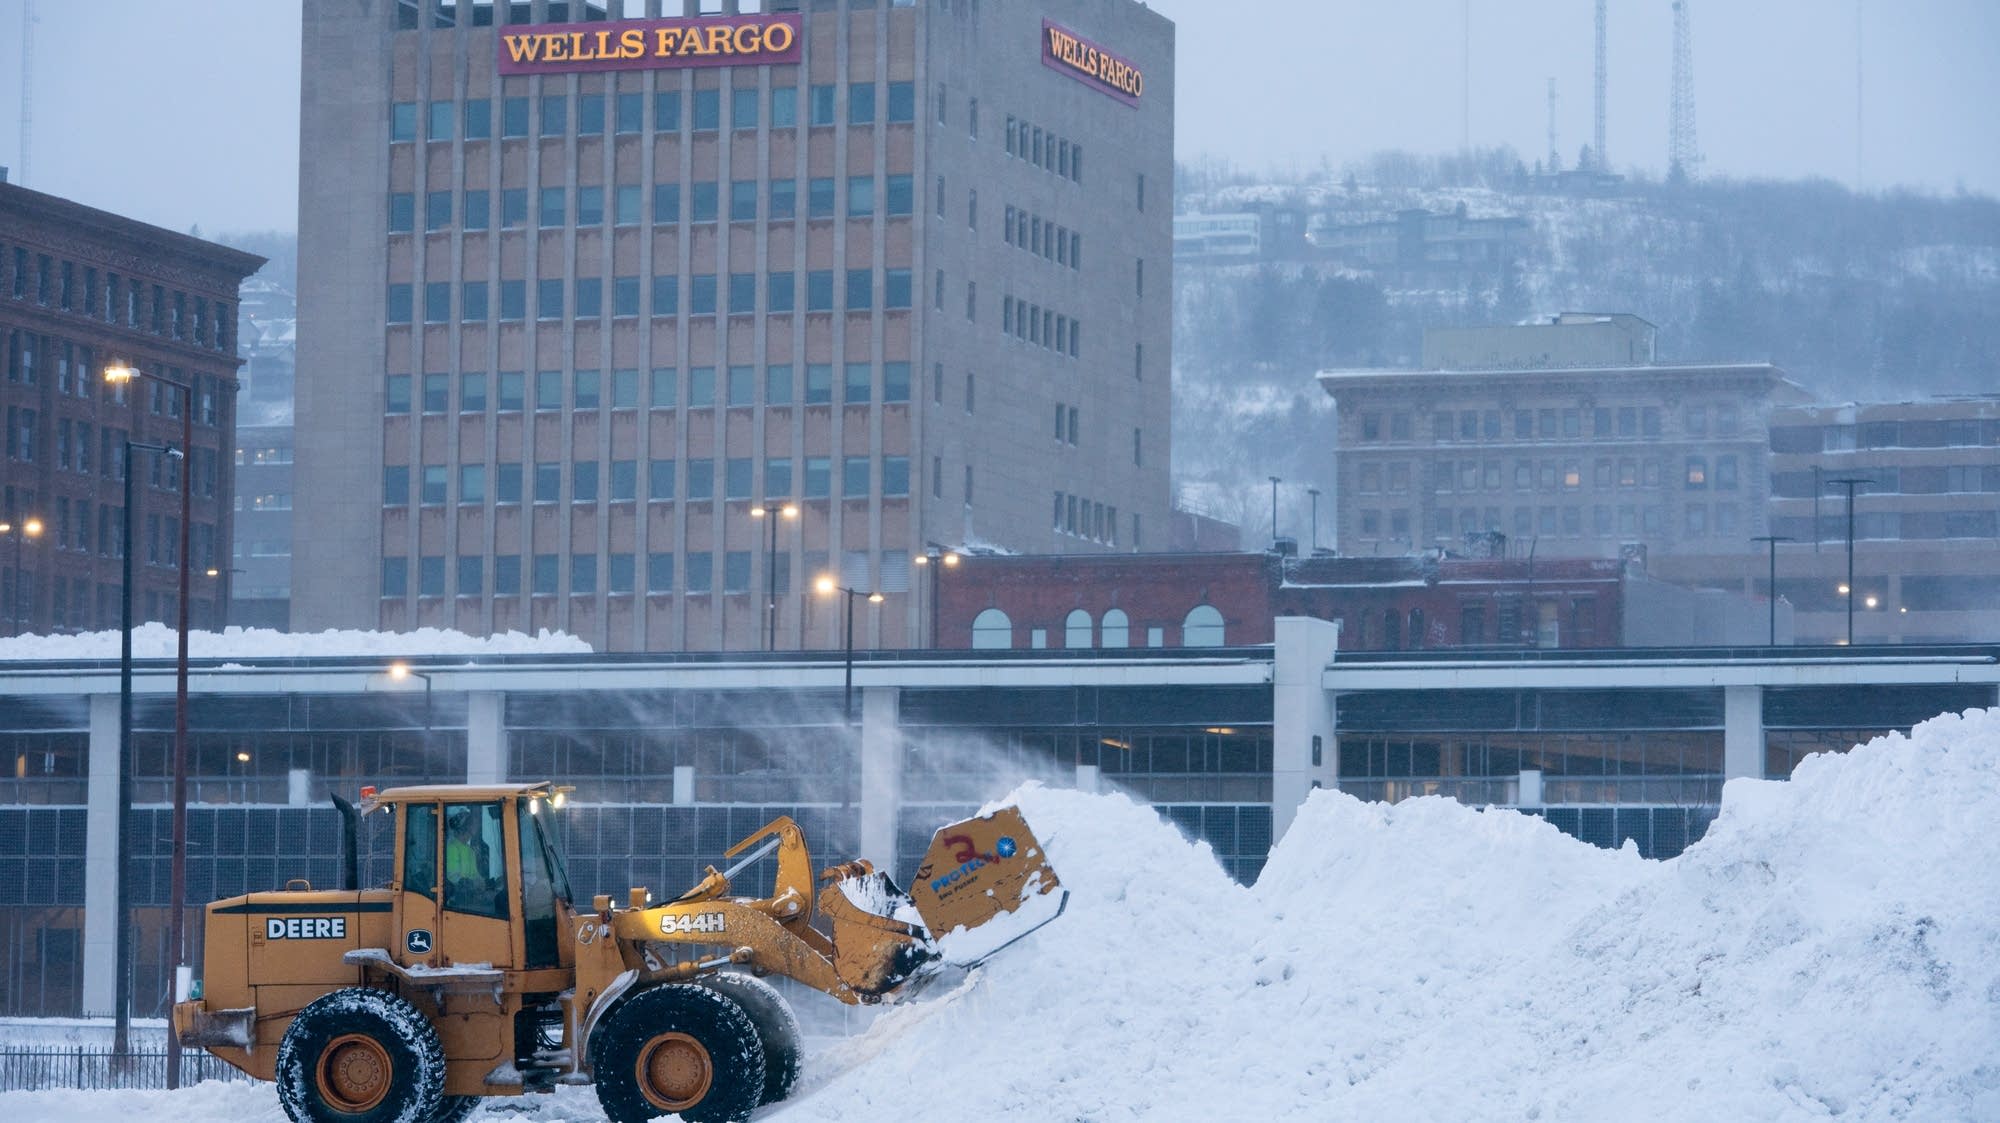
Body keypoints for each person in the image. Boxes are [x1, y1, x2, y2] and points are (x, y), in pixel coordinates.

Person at [445, 808, 497, 912]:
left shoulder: (470, 851)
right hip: (458, 900)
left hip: (470, 896)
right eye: (471, 824)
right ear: (464, 828)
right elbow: (452, 877)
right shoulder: (452, 848)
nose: (475, 827)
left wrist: (488, 883)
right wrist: (473, 884)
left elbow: (475, 874)